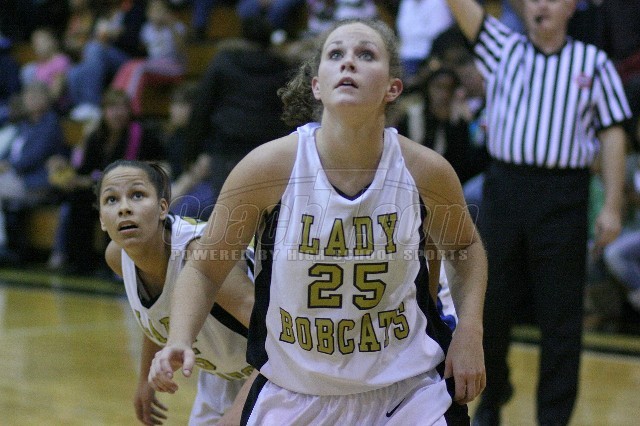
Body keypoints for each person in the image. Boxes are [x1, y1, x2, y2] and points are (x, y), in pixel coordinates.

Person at [148, 18, 487, 425]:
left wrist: (470, 331)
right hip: (294, 391)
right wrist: (180, 338)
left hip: (407, 390)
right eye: (335, 54)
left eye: (366, 55)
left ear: (393, 88)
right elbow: (205, 267)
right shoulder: (268, 168)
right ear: (316, 85)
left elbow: (465, 249)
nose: (349, 62)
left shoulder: (425, 171)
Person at [443, 0, 632, 425]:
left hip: (564, 195)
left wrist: (612, 206)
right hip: (505, 188)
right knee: (490, 302)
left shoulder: (594, 63)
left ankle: (553, 417)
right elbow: (461, 8)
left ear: (571, 8)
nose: (540, 4)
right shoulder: (502, 47)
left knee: (560, 316)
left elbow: (613, 134)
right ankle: (492, 398)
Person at [96, 159, 255, 425]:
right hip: (222, 376)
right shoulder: (117, 256)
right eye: (111, 200)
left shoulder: (200, 256)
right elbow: (160, 314)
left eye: (137, 195)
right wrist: (145, 380)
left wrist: (240, 411)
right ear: (102, 219)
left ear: (162, 208)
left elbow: (278, 338)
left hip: (277, 370)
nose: (124, 208)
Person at [48, 89, 165, 274]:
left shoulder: (142, 135)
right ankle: (81, 262)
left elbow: (151, 165)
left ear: (129, 111)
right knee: (78, 199)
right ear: (104, 111)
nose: (117, 113)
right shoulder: (97, 136)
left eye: (122, 108)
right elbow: (85, 169)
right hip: (99, 187)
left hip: (131, 190)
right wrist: (72, 176)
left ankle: (111, 264)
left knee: (111, 203)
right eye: (112, 108)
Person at [185, 15, 294, 203]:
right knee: (267, 210)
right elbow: (291, 113)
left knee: (228, 208)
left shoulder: (223, 62)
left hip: (227, 147)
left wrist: (190, 152)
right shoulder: (284, 68)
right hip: (268, 149)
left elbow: (202, 108)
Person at [111, 0, 187, 115]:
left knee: (139, 67)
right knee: (128, 65)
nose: (158, 14)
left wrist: (171, 26)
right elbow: (144, 50)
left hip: (175, 67)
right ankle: (113, 101)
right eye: (154, 11)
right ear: (148, 13)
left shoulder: (177, 27)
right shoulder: (147, 29)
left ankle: (132, 107)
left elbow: (182, 51)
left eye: (161, 10)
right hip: (155, 66)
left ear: (168, 12)